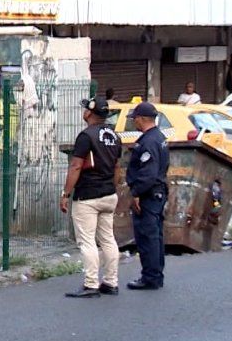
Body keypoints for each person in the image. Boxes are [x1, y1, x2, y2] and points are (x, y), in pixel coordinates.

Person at [59, 97, 122, 298]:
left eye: (85, 109)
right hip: (109, 194)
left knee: (87, 241)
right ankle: (111, 282)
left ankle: (91, 284)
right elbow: (117, 167)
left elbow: (76, 165)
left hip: (88, 195)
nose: (83, 112)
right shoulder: (114, 135)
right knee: (108, 240)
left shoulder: (86, 136)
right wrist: (113, 187)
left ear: (90, 113)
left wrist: (66, 193)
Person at [125, 101, 170, 290]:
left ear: (143, 119)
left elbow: (148, 174)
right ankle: (155, 274)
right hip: (157, 193)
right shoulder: (159, 137)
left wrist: (136, 193)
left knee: (147, 237)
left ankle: (150, 277)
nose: (133, 121)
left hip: (148, 195)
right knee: (155, 236)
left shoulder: (149, 141)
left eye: (135, 118)